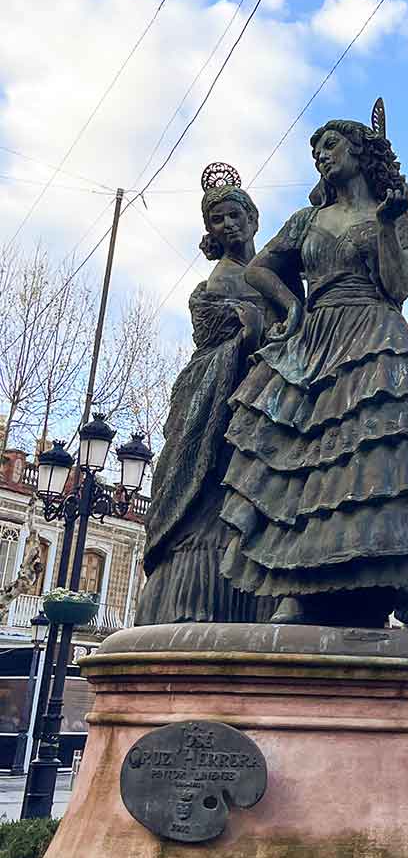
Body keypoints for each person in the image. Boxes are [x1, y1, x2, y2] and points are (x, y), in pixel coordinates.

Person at [220, 111, 408, 627]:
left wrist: (385, 224)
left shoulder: (399, 220)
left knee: (372, 455)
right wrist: (292, 306)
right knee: (302, 460)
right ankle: (296, 586)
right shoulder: (306, 219)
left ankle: (368, 583)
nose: (320, 155)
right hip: (316, 338)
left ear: (360, 152)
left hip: (375, 331)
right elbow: (259, 268)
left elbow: (399, 285)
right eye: (316, 150)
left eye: (330, 144)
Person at [137, 165, 271, 625]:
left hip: (267, 398)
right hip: (220, 394)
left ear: (253, 218)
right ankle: (196, 598)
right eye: (217, 220)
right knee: (210, 493)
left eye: (235, 215)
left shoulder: (273, 270)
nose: (228, 225)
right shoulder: (220, 279)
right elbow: (223, 330)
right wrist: (254, 327)